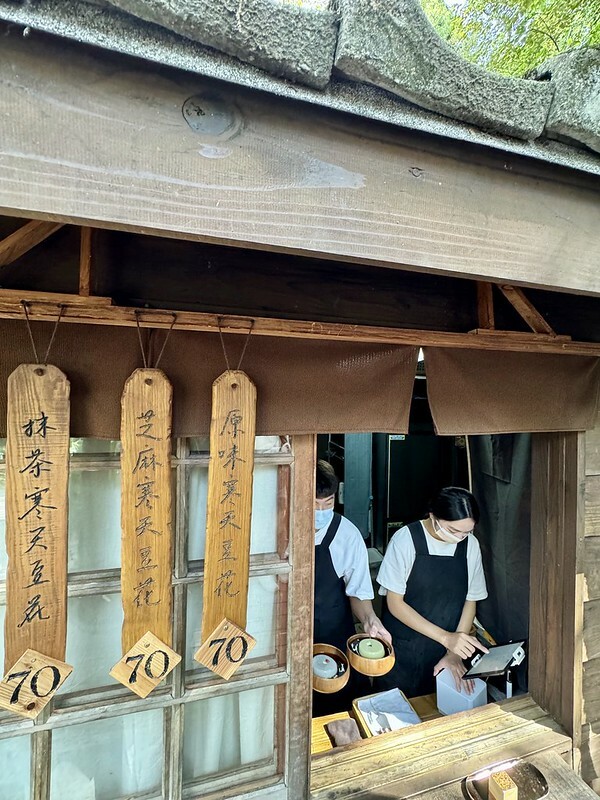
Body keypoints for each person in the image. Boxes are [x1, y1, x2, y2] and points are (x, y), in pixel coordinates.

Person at [375, 486, 488, 700]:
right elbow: (395, 603)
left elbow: (470, 600)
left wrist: (454, 653)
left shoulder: (470, 546)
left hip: (445, 648)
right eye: (454, 531)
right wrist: (447, 639)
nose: (460, 537)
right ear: (433, 516)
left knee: (436, 708)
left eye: (467, 532)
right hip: (404, 648)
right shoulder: (406, 539)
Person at [313, 460, 391, 716]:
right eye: (314, 503)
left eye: (328, 502)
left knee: (334, 710)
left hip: (332, 637)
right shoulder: (276, 530)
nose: (321, 510)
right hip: (285, 638)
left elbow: (357, 591)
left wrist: (370, 620)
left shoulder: (347, 535)